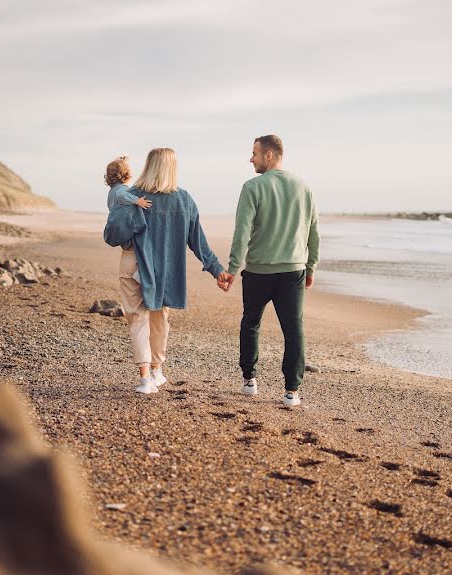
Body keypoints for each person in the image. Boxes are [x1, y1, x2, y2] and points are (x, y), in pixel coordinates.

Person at [218, 135, 320, 407]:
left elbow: (242, 232)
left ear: (270, 156)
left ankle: (249, 380)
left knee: (251, 323)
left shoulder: (252, 187)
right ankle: (292, 392)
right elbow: (314, 232)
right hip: (293, 271)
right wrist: (311, 267)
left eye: (254, 153)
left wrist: (232, 268)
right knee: (293, 328)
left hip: (259, 271)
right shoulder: (303, 187)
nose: (251, 158)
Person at [120, 148, 226, 394]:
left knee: (138, 318)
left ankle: (145, 378)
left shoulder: (132, 196)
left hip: (135, 265)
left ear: (149, 166)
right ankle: (156, 370)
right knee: (159, 318)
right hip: (166, 269)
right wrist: (216, 269)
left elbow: (113, 235)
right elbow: (197, 241)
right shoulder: (184, 199)